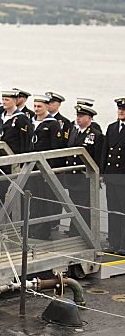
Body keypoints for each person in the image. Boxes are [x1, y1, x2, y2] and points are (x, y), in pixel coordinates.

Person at [66, 104, 104, 237]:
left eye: (81, 116)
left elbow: (98, 157)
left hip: (85, 176)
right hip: (73, 175)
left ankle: (84, 231)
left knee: (84, 206)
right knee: (74, 204)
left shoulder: (95, 135)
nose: (78, 118)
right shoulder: (74, 132)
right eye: (77, 116)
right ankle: (74, 230)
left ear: (89, 118)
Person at [29, 95, 62, 240]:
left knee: (43, 200)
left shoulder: (53, 124)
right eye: (35, 106)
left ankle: (43, 231)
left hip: (44, 167)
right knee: (33, 199)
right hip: (32, 166)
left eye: (39, 106)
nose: (36, 109)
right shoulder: (32, 122)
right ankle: (31, 228)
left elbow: (55, 148)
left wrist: (49, 169)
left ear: (47, 107)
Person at [102, 97, 125, 254]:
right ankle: (113, 242)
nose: (121, 111)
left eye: (123, 109)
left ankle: (123, 245)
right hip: (111, 176)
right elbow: (105, 151)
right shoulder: (111, 128)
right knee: (113, 211)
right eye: (119, 109)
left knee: (123, 212)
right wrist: (102, 172)